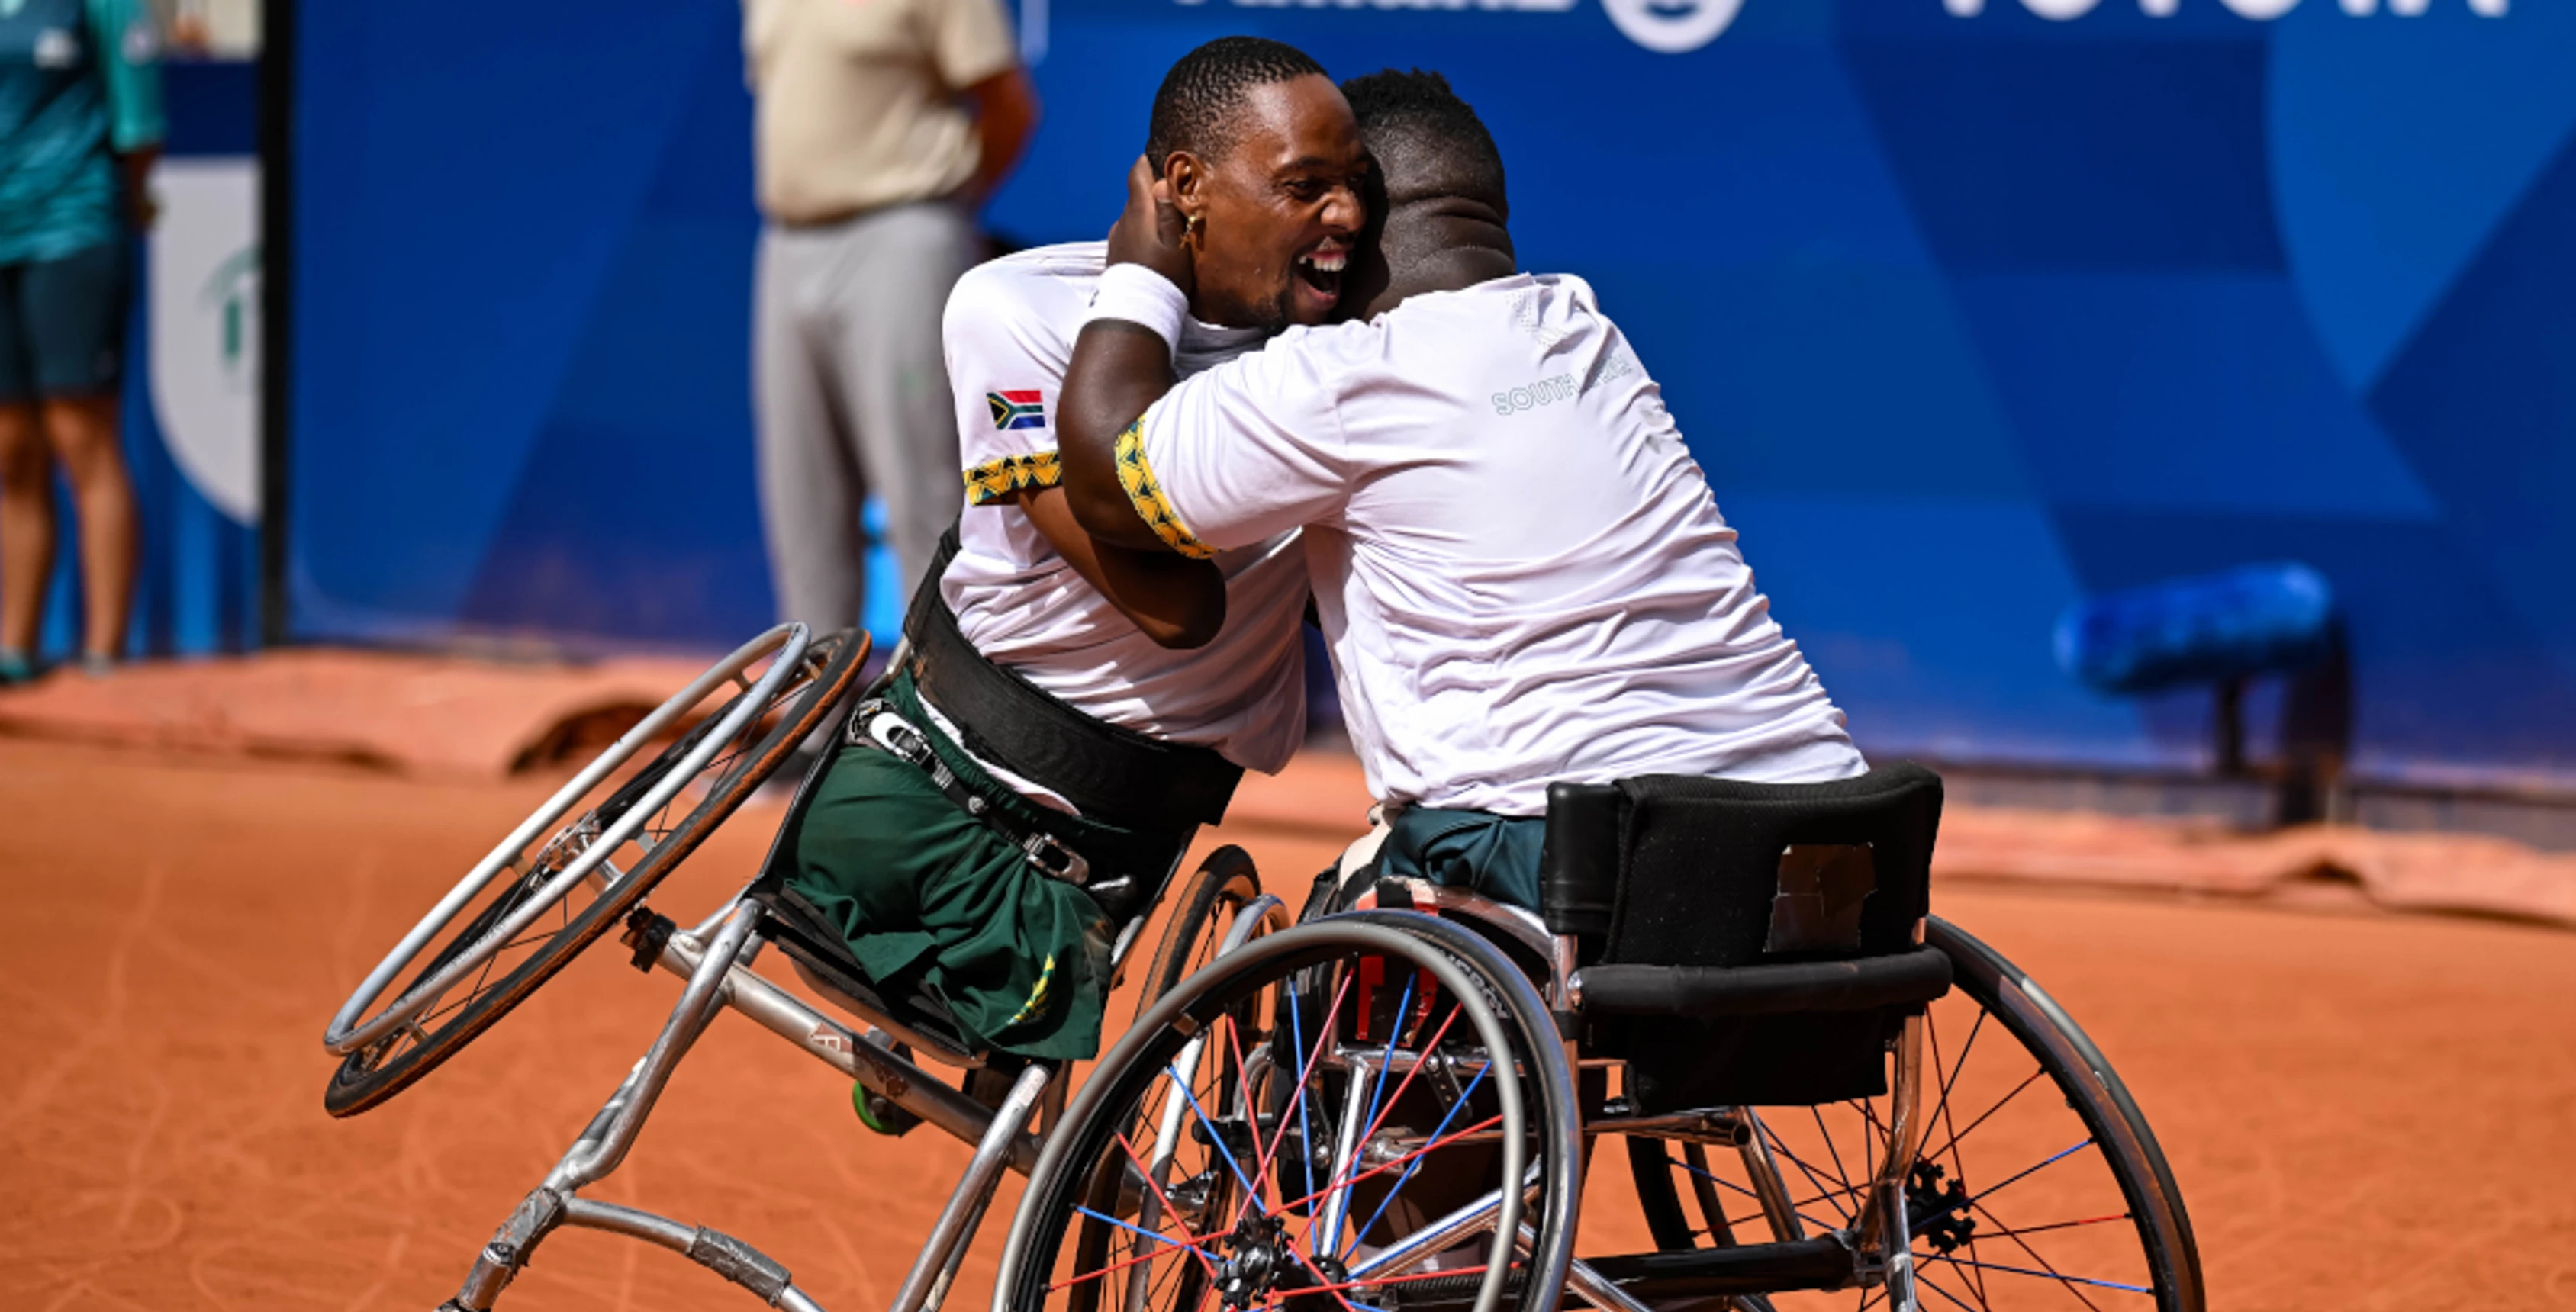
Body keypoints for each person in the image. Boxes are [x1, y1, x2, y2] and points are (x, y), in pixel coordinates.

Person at [1057, 67, 1864, 912]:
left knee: (1354, 898)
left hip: (1592, 856)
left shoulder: (1346, 377)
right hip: (1829, 828)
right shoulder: (1585, 332)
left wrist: (1141, 271)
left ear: (1357, 223)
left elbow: (1111, 485)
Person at [771, 37, 1365, 1092]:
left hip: (1120, 827)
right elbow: (1169, 605)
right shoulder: (1013, 307)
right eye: (1305, 187)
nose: (1346, 218)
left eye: (1354, 189)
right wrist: (1140, 291)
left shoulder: (1349, 370)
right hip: (956, 745)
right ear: (1183, 187)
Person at [742, 0, 1040, 642]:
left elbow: (1009, 106)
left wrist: (939, 211)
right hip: (786, 240)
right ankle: (813, 727)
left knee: (924, 493)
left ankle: (935, 717)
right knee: (803, 502)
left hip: (903, 232)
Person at [0, 0, 162, 684]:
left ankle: (103, 652)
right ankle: (15, 648)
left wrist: (124, 202)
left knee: (81, 435)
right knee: (9, 450)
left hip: (75, 231)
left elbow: (139, 126)